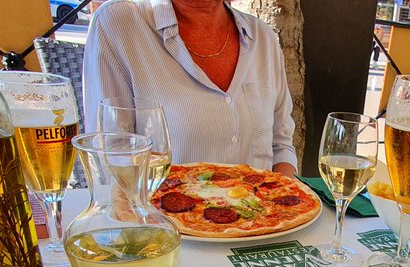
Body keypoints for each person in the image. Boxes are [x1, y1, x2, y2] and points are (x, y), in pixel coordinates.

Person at [83, 0, 298, 176]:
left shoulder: (264, 38)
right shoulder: (119, 23)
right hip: (163, 225)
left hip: (266, 222)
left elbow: (281, 145)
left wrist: (283, 206)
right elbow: (109, 154)